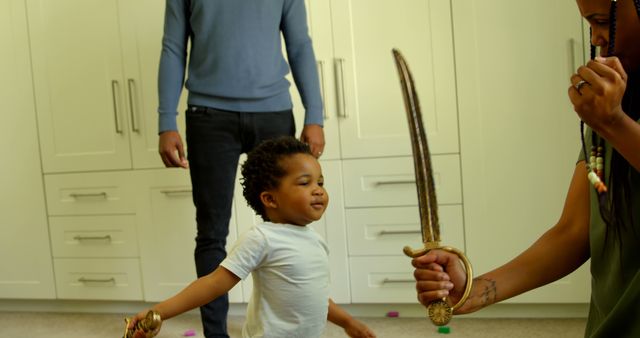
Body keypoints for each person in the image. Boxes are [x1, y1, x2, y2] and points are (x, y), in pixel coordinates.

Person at [411, 0, 640, 337]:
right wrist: (473, 290)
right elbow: (573, 232)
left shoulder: (609, 116)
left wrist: (613, 123)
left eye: (603, 21)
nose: (596, 38)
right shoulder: (612, 108)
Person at [156, 1, 326, 337]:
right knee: (211, 232)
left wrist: (315, 115)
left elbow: (300, 44)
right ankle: (215, 334)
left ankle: (286, 327)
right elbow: (173, 46)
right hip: (208, 116)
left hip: (273, 111)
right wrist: (166, 122)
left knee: (287, 227)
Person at [129, 137, 375, 338]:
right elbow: (214, 283)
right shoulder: (262, 238)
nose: (318, 189)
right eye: (304, 182)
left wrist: (348, 322)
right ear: (270, 199)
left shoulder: (314, 240)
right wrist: (158, 312)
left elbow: (316, 296)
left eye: (320, 182)